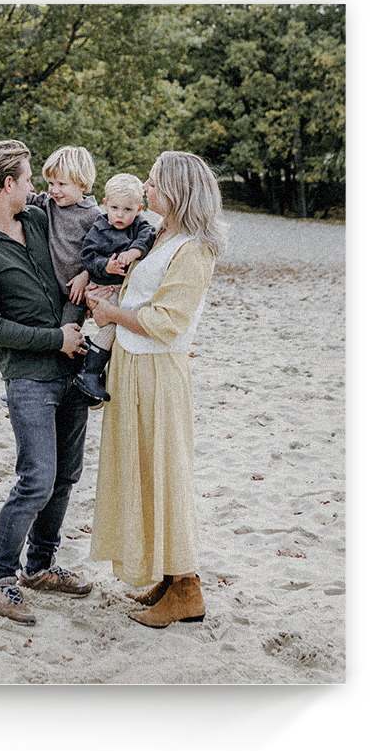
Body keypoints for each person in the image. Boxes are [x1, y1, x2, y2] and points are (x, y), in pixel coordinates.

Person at [0, 139, 92, 626]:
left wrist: (74, 324)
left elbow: (78, 258)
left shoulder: (37, 219)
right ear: (8, 184)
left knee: (66, 475)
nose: (37, 188)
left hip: (74, 368)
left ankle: (40, 566)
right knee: (36, 479)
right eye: (30, 180)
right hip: (29, 376)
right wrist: (56, 338)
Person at [86, 151, 226, 628]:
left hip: (158, 372)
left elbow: (168, 322)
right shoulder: (161, 232)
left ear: (178, 190)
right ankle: (170, 578)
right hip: (132, 364)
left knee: (165, 471)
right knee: (144, 470)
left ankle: (187, 586)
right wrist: (109, 297)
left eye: (153, 181)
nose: (145, 189)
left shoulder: (195, 248)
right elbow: (142, 294)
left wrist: (111, 315)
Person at [68, 173, 160, 405]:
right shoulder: (99, 227)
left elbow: (148, 237)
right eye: (115, 208)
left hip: (126, 286)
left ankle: (92, 359)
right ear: (105, 204)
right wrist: (105, 265)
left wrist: (134, 252)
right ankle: (89, 372)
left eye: (128, 210)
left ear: (139, 209)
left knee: (116, 326)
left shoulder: (140, 226)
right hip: (105, 285)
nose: (120, 215)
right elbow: (88, 255)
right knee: (112, 326)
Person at [23, 143, 104, 298]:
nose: (54, 190)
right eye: (51, 183)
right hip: (49, 287)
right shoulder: (49, 203)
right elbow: (26, 198)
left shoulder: (93, 215)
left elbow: (101, 252)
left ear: (81, 184)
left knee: (68, 323)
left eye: (61, 184)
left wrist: (85, 276)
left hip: (76, 290)